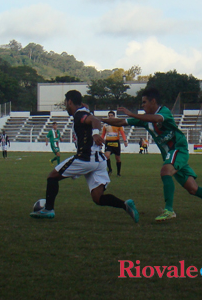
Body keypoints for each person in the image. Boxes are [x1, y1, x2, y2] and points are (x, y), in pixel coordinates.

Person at [102, 87, 202, 222]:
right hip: (171, 154)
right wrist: (100, 121)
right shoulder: (145, 120)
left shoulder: (164, 111)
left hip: (178, 148)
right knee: (193, 189)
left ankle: (169, 210)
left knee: (165, 171)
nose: (142, 105)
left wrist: (132, 114)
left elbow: (156, 119)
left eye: (144, 102)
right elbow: (121, 122)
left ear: (153, 101)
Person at [30, 90, 139, 223]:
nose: (66, 106)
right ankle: (125, 205)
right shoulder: (83, 111)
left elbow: (94, 120)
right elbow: (92, 115)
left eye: (66, 103)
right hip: (99, 161)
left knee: (52, 177)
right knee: (98, 198)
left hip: (86, 158)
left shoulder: (80, 114)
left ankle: (48, 209)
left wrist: (95, 133)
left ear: (70, 102)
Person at [101, 111, 128, 176]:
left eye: (111, 115)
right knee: (106, 156)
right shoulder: (105, 125)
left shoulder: (118, 124)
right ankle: (110, 169)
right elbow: (103, 134)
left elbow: (122, 133)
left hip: (116, 142)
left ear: (114, 116)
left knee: (118, 158)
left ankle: (118, 173)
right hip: (108, 142)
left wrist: (125, 140)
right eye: (109, 116)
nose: (110, 117)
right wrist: (101, 141)